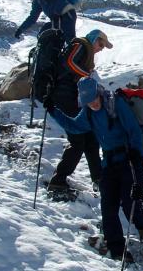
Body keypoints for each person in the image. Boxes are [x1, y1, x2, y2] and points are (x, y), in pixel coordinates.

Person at [50, 77, 143, 262]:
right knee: (108, 207)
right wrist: (53, 111)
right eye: (88, 101)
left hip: (129, 159)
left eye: (94, 99)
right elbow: (74, 126)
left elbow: (134, 130)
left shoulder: (116, 104)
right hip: (109, 163)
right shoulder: (88, 112)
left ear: (99, 93)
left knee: (130, 202)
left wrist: (137, 158)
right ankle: (117, 249)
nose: (93, 104)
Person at [44, 29, 114, 198]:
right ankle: (58, 181)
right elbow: (69, 62)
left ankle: (99, 179)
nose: (101, 48)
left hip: (71, 97)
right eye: (101, 44)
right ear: (94, 39)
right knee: (78, 140)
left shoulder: (86, 51)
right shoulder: (81, 45)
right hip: (64, 95)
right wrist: (87, 76)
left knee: (91, 138)